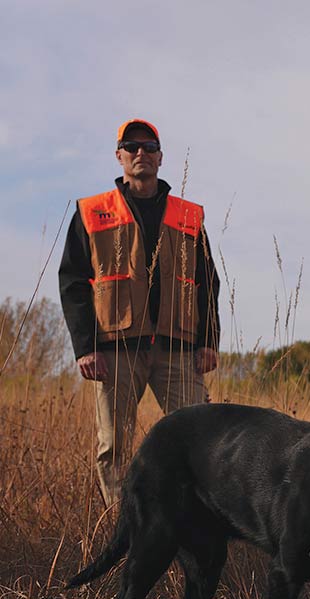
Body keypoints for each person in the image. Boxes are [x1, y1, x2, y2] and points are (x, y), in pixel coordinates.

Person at [59, 119, 220, 507]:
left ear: (161, 158)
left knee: (203, 441)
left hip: (179, 350)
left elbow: (208, 284)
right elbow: (73, 283)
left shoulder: (188, 215)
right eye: (131, 147)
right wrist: (85, 346)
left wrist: (209, 342)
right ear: (119, 157)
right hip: (115, 351)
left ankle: (195, 526)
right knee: (113, 448)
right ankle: (121, 530)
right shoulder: (92, 212)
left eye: (149, 147)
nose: (141, 153)